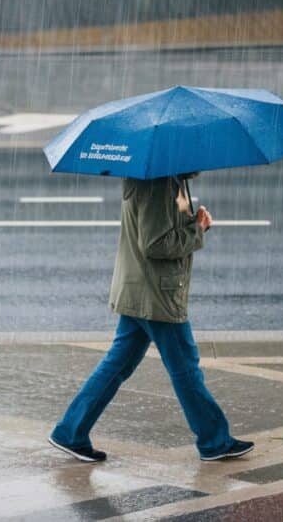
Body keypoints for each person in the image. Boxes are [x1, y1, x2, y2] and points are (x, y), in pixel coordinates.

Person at [49, 171, 254, 463]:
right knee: (185, 368)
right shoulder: (159, 183)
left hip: (140, 287)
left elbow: (159, 228)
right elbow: (155, 243)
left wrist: (192, 222)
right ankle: (214, 440)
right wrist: (196, 230)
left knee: (117, 364)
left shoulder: (162, 176)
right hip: (156, 293)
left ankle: (70, 431)